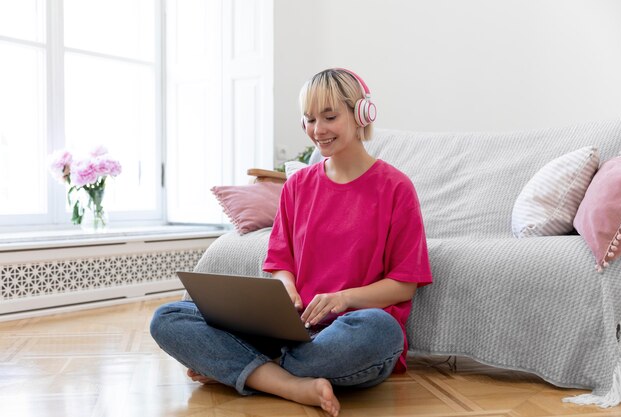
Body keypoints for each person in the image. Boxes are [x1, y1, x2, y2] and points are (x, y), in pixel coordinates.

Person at [150, 68, 432, 417]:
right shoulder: (297, 187)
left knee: (380, 331)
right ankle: (290, 383)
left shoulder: (396, 187)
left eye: (330, 117)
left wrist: (343, 298)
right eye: (310, 119)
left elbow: (404, 286)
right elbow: (281, 263)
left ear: (362, 114)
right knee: (168, 316)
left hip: (351, 330)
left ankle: (241, 369)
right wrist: (285, 288)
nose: (318, 130)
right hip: (291, 330)